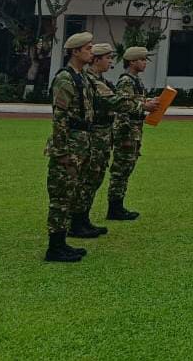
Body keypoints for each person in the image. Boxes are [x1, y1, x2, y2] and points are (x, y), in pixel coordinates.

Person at [44, 32, 95, 263]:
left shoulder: (81, 77)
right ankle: (54, 247)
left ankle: (62, 242)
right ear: (75, 51)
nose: (91, 52)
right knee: (61, 196)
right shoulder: (65, 79)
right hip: (69, 144)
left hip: (80, 142)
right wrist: (62, 150)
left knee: (71, 192)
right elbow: (60, 117)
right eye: (87, 48)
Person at [108, 46, 160, 221]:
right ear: (132, 62)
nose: (145, 63)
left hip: (133, 130)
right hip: (126, 130)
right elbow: (122, 105)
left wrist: (147, 103)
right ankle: (114, 207)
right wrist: (144, 106)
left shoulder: (134, 81)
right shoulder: (126, 81)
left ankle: (118, 205)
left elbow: (133, 102)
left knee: (126, 168)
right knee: (121, 169)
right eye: (142, 60)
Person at [72, 43, 117, 239]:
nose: (110, 61)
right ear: (96, 59)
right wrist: (143, 105)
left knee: (95, 178)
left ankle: (83, 219)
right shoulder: (90, 80)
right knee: (88, 179)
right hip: (95, 136)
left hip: (103, 135)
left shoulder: (99, 79)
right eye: (107, 57)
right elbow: (113, 101)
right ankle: (77, 221)